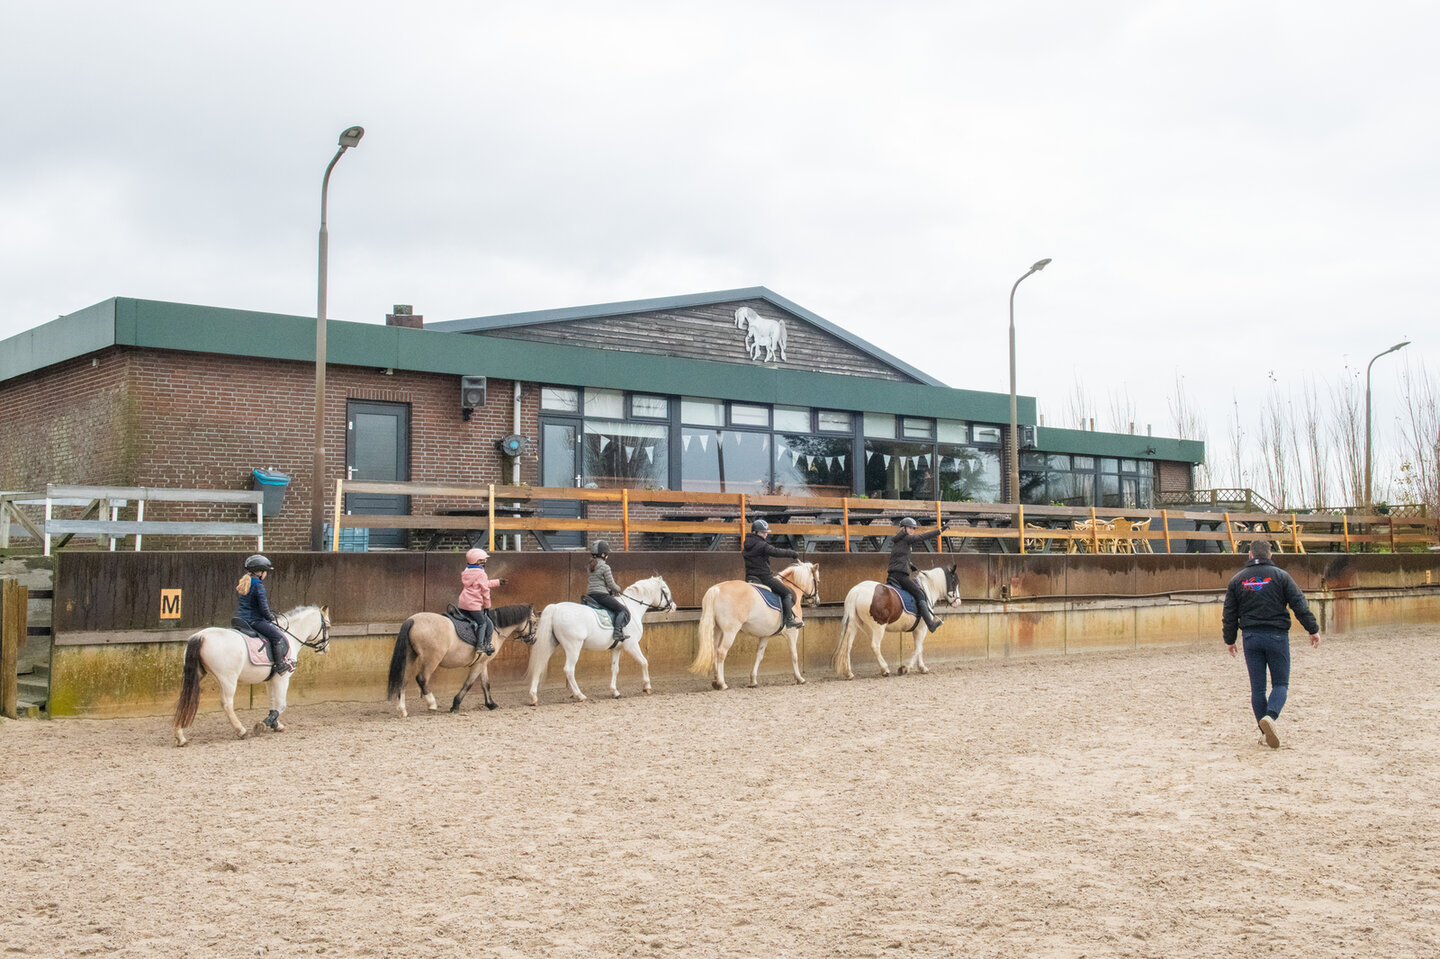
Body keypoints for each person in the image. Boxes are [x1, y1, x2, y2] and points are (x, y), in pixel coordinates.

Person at [1223, 539, 1321, 749]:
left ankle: (1264, 732)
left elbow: (1229, 614)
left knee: (1257, 689)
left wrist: (1229, 640)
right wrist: (1312, 629)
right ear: (1270, 555)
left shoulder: (1237, 580)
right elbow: (1299, 604)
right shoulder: (1281, 576)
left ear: (1250, 555)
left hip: (1251, 638)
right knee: (1280, 684)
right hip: (1277, 636)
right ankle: (1272, 717)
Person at [235, 554, 292, 675]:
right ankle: (279, 665)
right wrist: (270, 617)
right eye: (265, 571)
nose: (266, 574)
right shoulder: (258, 585)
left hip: (241, 619)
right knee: (277, 637)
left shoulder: (246, 582)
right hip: (254, 621)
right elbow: (263, 608)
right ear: (260, 572)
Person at [887, 517, 946, 631]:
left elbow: (899, 556)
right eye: (910, 528)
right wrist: (939, 531)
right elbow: (922, 537)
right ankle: (930, 623)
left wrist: (910, 565)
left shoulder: (897, 540)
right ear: (903, 528)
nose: (912, 530)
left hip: (893, 574)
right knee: (920, 594)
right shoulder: (906, 538)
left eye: (914, 528)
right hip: (901, 576)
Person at [743, 519, 803, 629]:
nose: (765, 534)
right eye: (763, 532)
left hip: (750, 577)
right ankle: (789, 620)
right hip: (764, 577)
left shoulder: (746, 545)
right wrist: (793, 553)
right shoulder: (762, 545)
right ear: (755, 532)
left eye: (766, 532)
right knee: (786, 593)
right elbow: (776, 552)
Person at [457, 547, 507, 655]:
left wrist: (498, 582)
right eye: (483, 560)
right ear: (477, 561)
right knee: (484, 623)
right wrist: (487, 607)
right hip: (473, 605)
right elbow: (485, 591)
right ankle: (481, 645)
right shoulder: (481, 574)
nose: (485, 562)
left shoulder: (468, 571)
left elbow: (483, 583)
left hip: (463, 603)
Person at [586, 541, 630, 643]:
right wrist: (619, 589)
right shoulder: (605, 567)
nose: (607, 555)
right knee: (622, 610)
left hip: (591, 594)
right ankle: (617, 633)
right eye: (607, 553)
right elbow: (611, 584)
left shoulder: (590, 566)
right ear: (603, 554)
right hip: (601, 595)